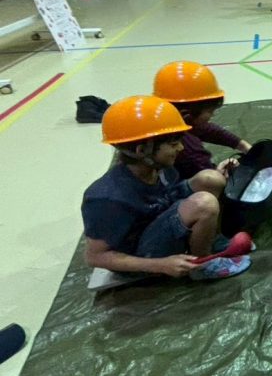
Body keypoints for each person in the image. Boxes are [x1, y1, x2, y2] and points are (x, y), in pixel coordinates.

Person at [82, 96, 252, 280]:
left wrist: (218, 173)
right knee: (204, 204)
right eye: (173, 143)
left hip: (156, 218)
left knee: (211, 179)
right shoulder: (108, 198)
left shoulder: (158, 167)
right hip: (141, 255)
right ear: (141, 150)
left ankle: (210, 241)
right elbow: (95, 256)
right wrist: (160, 264)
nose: (181, 148)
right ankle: (202, 264)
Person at [153, 61, 252, 180]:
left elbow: (205, 129)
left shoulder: (159, 117)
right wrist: (219, 173)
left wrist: (243, 145)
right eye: (209, 111)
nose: (212, 115)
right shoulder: (189, 150)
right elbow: (209, 181)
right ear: (186, 115)